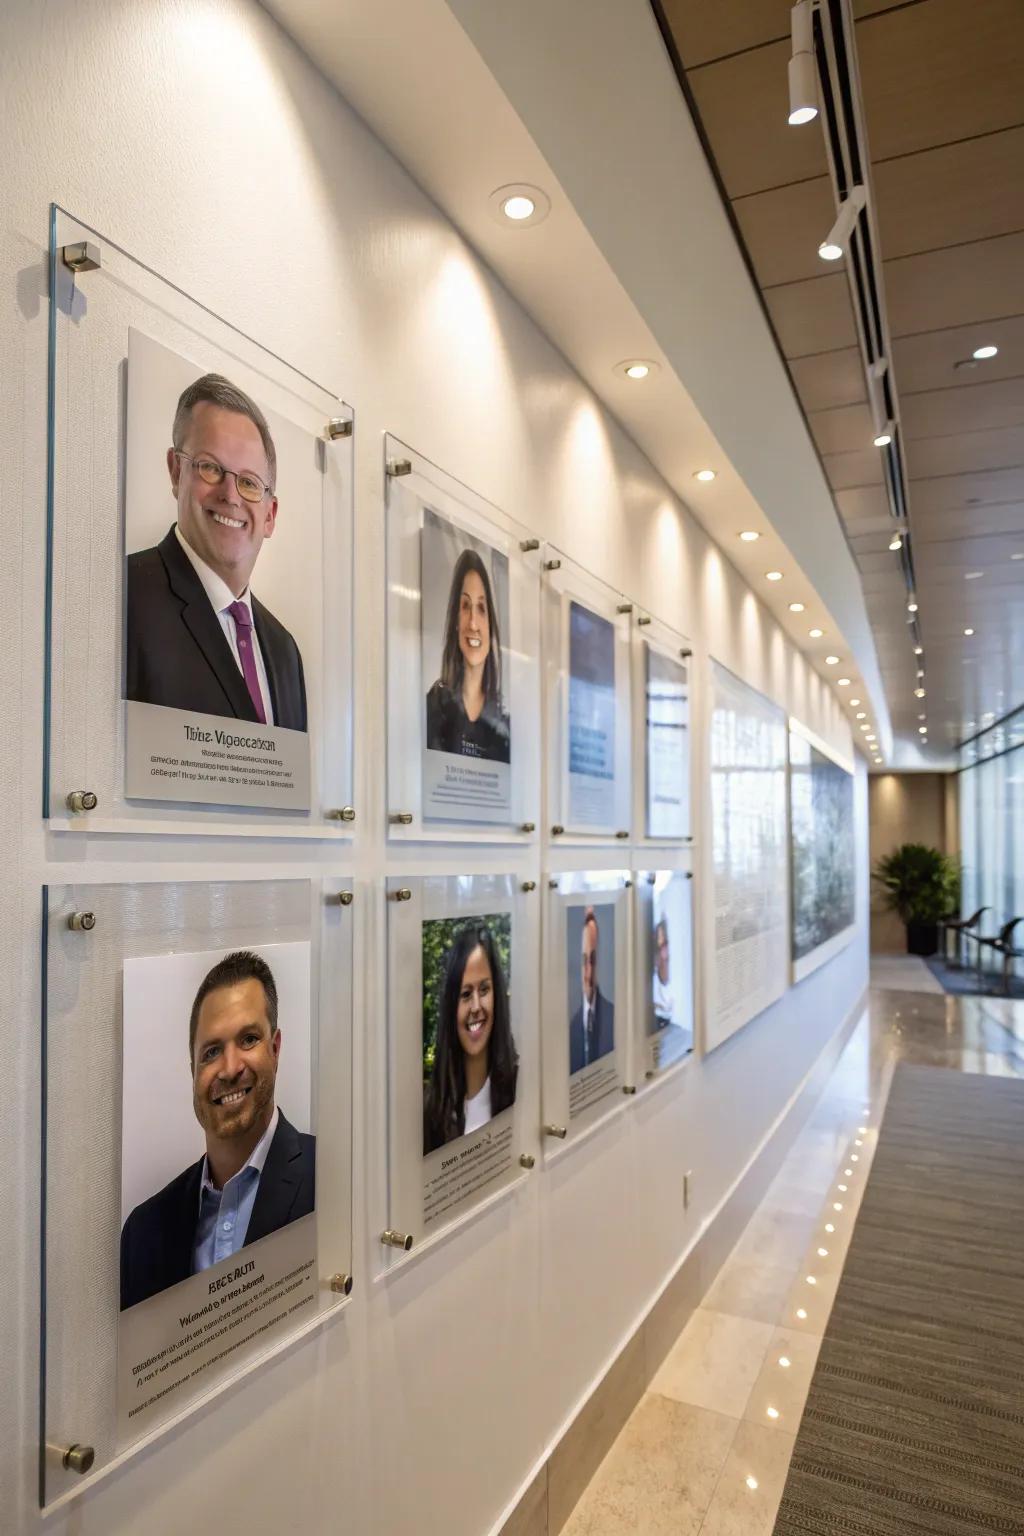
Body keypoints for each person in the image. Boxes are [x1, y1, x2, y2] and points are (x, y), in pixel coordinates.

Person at [120, 950, 314, 1311]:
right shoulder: (142, 1234)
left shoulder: (335, 1179)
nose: (228, 1068)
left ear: (275, 1048)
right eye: (211, 1052)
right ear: (193, 1069)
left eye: (248, 1040)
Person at [125, 373, 307, 730]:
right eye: (210, 468)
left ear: (269, 516)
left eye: (250, 483)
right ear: (176, 472)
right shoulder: (122, 597)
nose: (231, 494)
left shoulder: (285, 651)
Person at [423, 923, 518, 1153]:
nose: (476, 1006)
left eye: (484, 990)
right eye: (465, 994)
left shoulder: (521, 1087)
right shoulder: (430, 1111)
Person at [425, 546, 510, 763]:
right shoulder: (433, 707)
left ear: (491, 625)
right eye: (465, 606)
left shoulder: (503, 727)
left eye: (481, 608)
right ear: (455, 620)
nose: (473, 623)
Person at [569, 907, 615, 1073]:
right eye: (584, 960)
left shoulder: (615, 1019)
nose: (588, 972)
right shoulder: (569, 1030)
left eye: (593, 959)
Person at [652, 918, 676, 1030]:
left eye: (664, 944)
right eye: (659, 946)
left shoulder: (674, 975)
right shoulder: (652, 983)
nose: (663, 951)